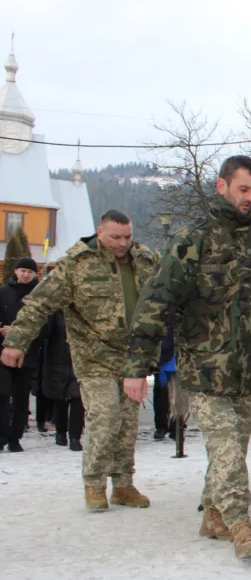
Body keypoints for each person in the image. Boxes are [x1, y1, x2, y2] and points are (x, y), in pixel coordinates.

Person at [124, 155, 251, 560]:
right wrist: (138, 367)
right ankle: (240, 523)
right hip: (204, 368)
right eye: (242, 189)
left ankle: (212, 515)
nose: (249, 198)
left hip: (245, 371)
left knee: (234, 447)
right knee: (226, 449)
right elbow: (155, 302)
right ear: (222, 186)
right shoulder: (191, 241)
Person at [2, 211, 157, 509]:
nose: (123, 243)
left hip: (133, 358)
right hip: (94, 356)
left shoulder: (145, 260)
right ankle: (94, 484)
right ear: (100, 232)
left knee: (127, 422)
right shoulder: (77, 265)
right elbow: (39, 304)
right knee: (106, 416)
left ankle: (123, 484)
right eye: (115, 237)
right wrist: (16, 342)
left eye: (127, 236)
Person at [0, 258, 43, 452]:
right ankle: (1, 435)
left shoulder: (39, 297)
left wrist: (21, 331)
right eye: (22, 270)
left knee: (20, 398)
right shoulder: (3, 293)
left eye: (30, 272)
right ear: (16, 272)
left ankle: (15, 437)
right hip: (2, 352)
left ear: (35, 274)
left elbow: (45, 327)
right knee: (2, 393)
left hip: (27, 354)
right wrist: (4, 329)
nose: (25, 274)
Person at [40, 310, 83, 451]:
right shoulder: (54, 312)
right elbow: (44, 332)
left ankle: (75, 437)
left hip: (79, 358)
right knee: (60, 397)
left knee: (78, 397)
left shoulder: (83, 310)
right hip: (57, 359)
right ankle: (61, 432)